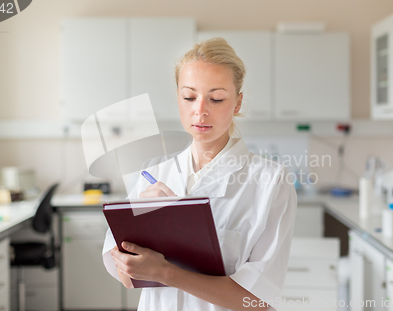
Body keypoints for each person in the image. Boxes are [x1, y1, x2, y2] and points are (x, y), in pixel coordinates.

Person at [102, 37, 297, 311]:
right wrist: (145, 225)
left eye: (216, 98)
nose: (200, 110)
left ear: (238, 103)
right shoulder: (155, 175)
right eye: (189, 97)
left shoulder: (270, 181)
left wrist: (165, 272)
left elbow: (257, 302)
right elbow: (127, 277)